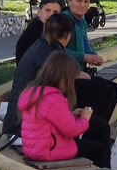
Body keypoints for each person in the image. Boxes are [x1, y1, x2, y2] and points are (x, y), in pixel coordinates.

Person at [19, 48, 111, 167]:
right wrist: (84, 118)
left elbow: (48, 122)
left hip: (34, 149)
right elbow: (72, 131)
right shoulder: (54, 99)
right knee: (99, 149)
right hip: (49, 150)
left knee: (96, 135)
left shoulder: (34, 93)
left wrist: (70, 115)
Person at [4, 11, 76, 143]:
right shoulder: (49, 54)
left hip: (18, 124)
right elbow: (53, 96)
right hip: (22, 129)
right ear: (67, 35)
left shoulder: (42, 45)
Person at [61, 0, 117, 125]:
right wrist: (84, 57)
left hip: (81, 71)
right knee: (96, 88)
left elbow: (85, 46)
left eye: (86, 1)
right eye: (79, 1)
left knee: (115, 89)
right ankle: (88, 128)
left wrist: (93, 55)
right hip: (66, 74)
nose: (82, 5)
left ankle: (100, 127)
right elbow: (58, 51)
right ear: (69, 0)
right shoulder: (64, 21)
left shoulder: (82, 21)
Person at [14, 0, 62, 65]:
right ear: (39, 12)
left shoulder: (49, 29)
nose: (51, 15)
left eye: (55, 12)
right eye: (47, 10)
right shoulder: (35, 32)